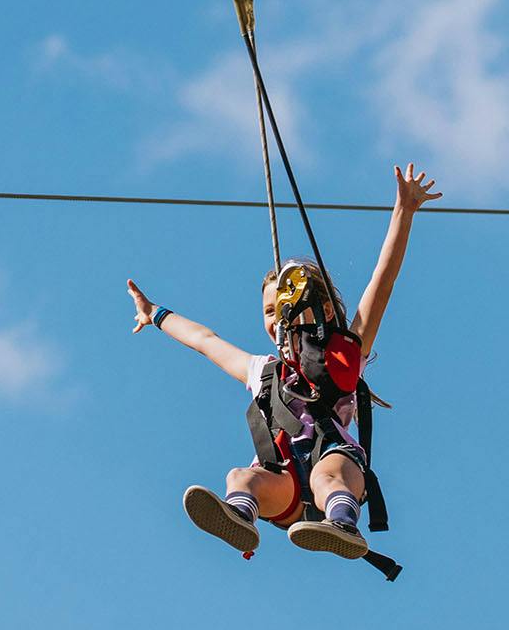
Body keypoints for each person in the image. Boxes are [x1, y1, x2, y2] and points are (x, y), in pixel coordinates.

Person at [126, 164, 439, 562]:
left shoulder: (344, 353)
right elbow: (205, 341)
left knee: (328, 476)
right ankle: (240, 515)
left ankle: (342, 523)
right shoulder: (263, 371)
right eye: (270, 310)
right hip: (283, 484)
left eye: (285, 306)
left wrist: (404, 211)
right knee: (239, 477)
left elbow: (383, 281)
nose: (277, 318)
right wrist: (155, 314)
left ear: (320, 307)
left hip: (336, 464)